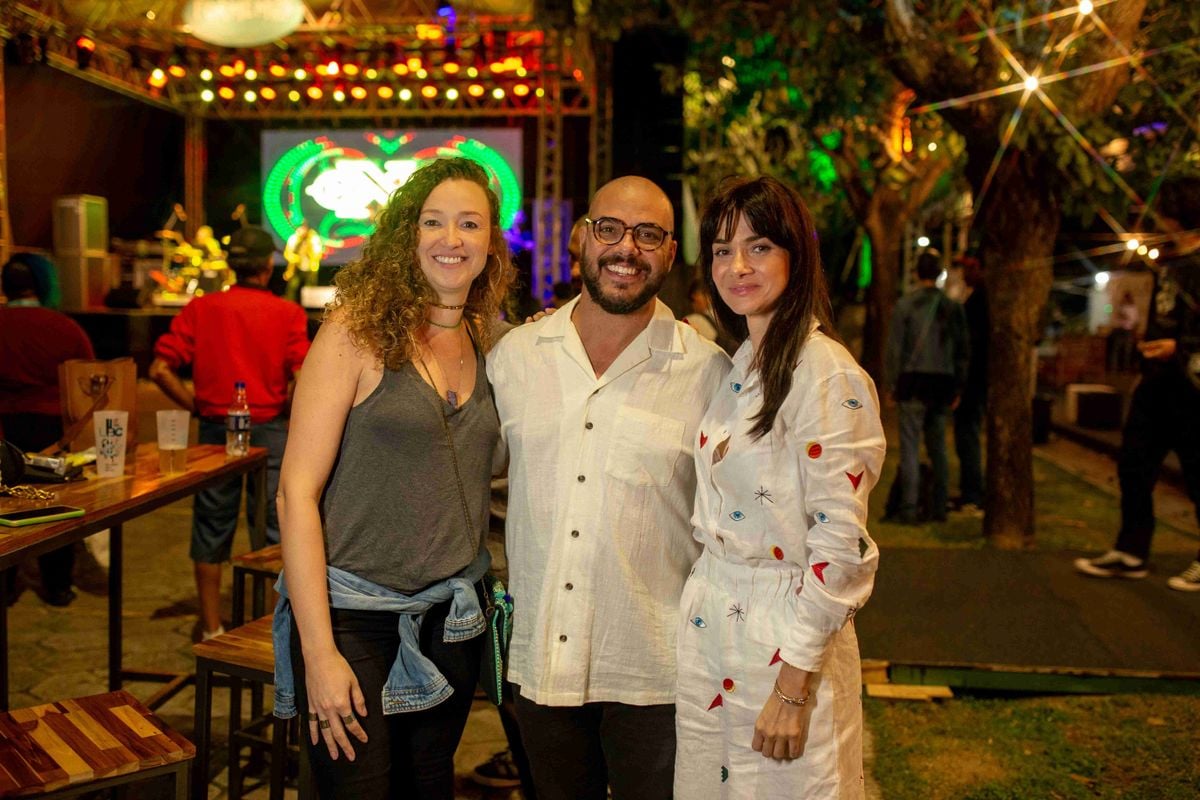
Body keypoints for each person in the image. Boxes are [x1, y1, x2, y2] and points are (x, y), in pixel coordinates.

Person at [272, 158, 516, 799]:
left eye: (470, 223)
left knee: (429, 788)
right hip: (353, 620)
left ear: (491, 242)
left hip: (453, 618)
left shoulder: (495, 344)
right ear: (408, 235)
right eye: (433, 222)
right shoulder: (354, 335)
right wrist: (320, 654)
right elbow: (295, 493)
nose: (451, 238)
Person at [487, 176, 730, 799]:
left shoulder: (708, 374)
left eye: (649, 234)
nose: (627, 248)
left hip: (657, 670)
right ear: (580, 237)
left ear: (671, 253)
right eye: (610, 229)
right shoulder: (516, 357)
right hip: (541, 664)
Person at [675, 176, 885, 798]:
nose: (736, 266)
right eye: (720, 249)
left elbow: (840, 543)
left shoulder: (826, 374)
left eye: (759, 246)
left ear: (797, 254)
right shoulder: (744, 361)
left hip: (784, 640)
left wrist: (794, 687)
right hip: (715, 628)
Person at [149, 226, 310, 640]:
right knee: (275, 530)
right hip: (270, 428)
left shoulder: (202, 309)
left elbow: (160, 368)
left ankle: (213, 627)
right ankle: (269, 629)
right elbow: (302, 374)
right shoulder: (287, 313)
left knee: (210, 525)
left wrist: (195, 407)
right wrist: (289, 407)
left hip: (215, 427)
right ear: (265, 267)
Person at [1074, 248, 1200, 592]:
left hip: (1192, 386)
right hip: (1157, 382)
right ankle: (1131, 550)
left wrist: (1180, 347)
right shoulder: (1169, 265)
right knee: (1133, 463)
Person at [0, 255, 95, 606]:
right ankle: (57, 584)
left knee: (4, 506)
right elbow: (87, 382)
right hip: (54, 431)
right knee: (57, 505)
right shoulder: (64, 327)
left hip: (5, 431)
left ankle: (5, 581)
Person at [883, 251, 969, 523]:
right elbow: (962, 350)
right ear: (939, 273)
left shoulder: (906, 305)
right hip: (942, 382)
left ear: (917, 273)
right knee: (938, 447)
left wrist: (891, 384)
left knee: (909, 446)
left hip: (913, 382)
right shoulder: (953, 308)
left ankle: (909, 508)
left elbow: (895, 349)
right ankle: (939, 506)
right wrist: (958, 386)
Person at [953, 255, 987, 514]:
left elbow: (970, 349)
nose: (964, 272)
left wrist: (962, 385)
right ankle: (970, 491)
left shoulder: (980, 302)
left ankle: (973, 494)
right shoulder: (977, 299)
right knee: (965, 436)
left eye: (969, 267)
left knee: (968, 436)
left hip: (974, 382)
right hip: (974, 380)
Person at [284, 220, 323, 301]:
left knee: (310, 290)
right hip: (296, 268)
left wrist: (309, 250)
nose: (301, 231)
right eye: (299, 229)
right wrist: (296, 258)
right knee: (292, 287)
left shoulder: (314, 238)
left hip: (311, 268)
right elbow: (287, 253)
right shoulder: (294, 238)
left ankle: (310, 310)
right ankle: (290, 306)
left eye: (303, 229)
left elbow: (318, 254)